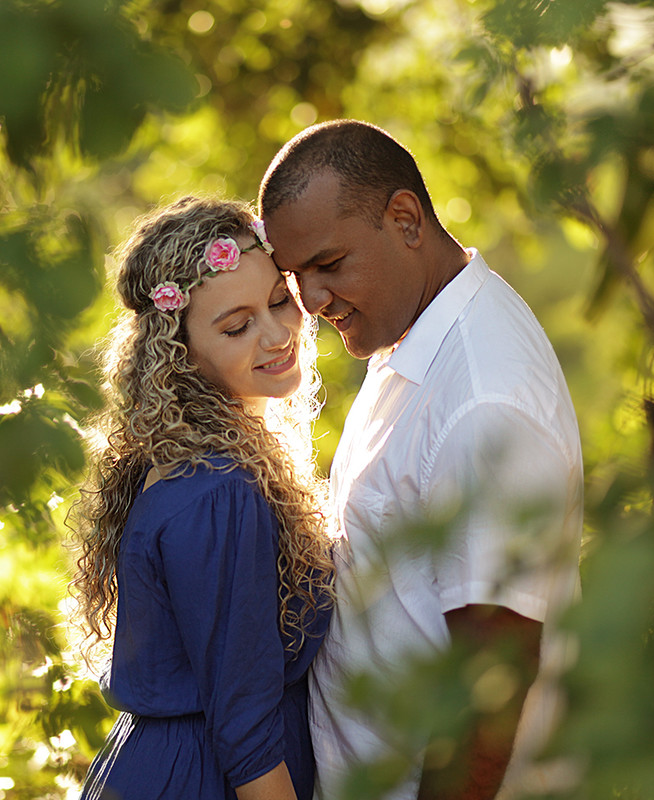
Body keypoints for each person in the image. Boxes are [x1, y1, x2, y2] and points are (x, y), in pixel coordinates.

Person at [258, 120, 583, 799]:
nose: (310, 302)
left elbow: (492, 684)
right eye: (294, 276)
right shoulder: (412, 334)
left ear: (405, 219)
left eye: (328, 264)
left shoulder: (483, 398)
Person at [70, 197, 335, 800]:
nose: (277, 335)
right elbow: (244, 729)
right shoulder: (218, 489)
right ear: (180, 355)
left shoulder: (209, 459)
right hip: (204, 779)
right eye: (237, 326)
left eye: (279, 301)